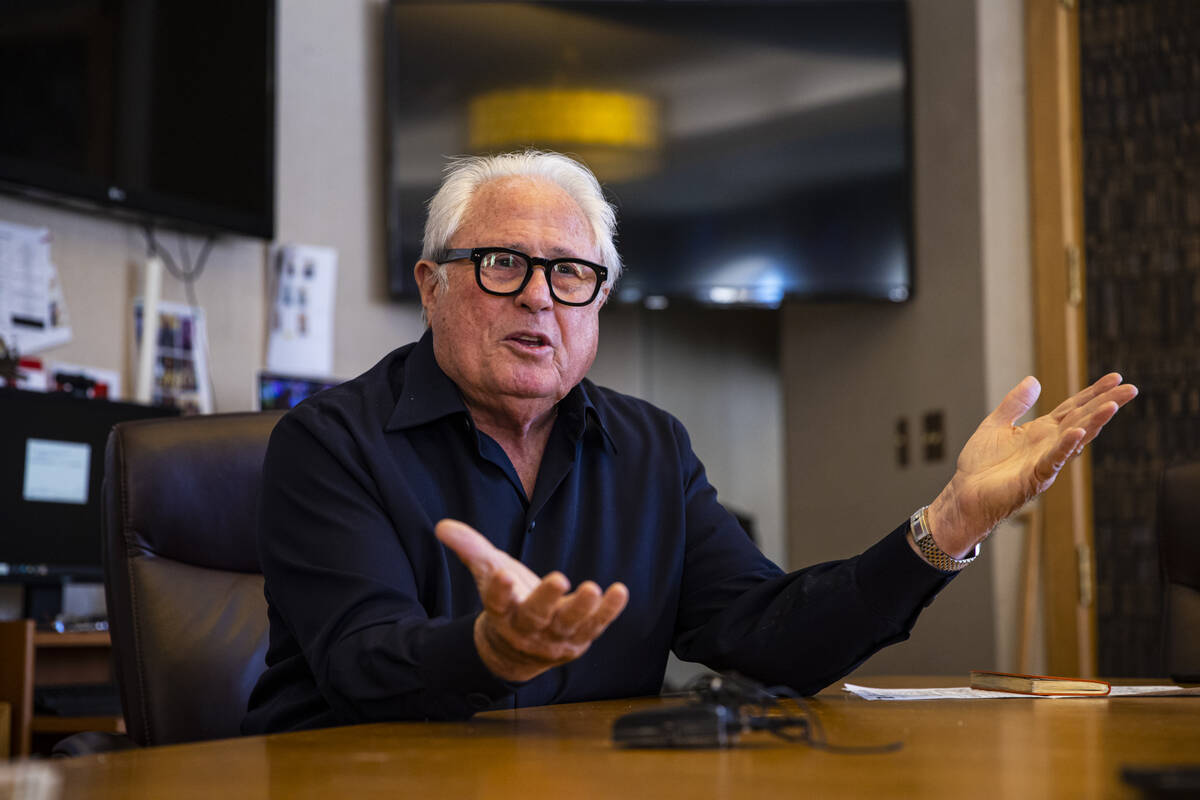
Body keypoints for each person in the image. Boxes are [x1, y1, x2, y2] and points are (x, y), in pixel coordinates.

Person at [242, 151, 1136, 734]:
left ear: (598, 302)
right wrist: (490, 651)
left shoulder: (651, 449)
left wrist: (942, 528)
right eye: (503, 264)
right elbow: (359, 666)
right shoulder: (329, 442)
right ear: (433, 285)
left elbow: (764, 638)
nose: (540, 299)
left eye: (572, 275)